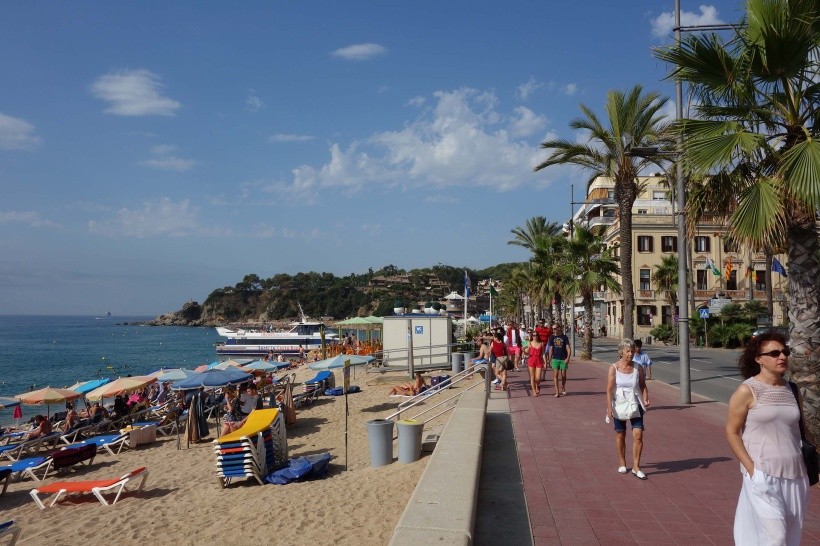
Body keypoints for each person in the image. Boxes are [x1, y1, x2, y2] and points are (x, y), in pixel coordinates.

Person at [727, 331, 811, 544]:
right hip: (763, 472)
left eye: (784, 352)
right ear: (758, 359)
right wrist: (751, 469)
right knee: (776, 536)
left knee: (790, 537)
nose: (782, 357)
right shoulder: (747, 390)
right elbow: (732, 432)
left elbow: (801, 430)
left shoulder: (792, 390)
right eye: (774, 353)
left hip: (796, 473)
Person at [605, 339, 650, 479]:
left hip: (635, 403)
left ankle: (636, 467)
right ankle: (622, 462)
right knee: (620, 434)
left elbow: (642, 384)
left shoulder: (638, 367)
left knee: (638, 434)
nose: (631, 354)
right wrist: (609, 408)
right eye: (628, 351)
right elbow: (609, 389)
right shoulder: (614, 368)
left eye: (632, 351)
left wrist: (646, 397)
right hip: (619, 404)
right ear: (621, 352)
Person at [547, 324, 572, 397]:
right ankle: (557, 391)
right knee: (555, 375)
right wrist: (549, 359)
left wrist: (568, 358)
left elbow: (568, 348)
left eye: (555, 328)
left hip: (563, 359)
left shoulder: (564, 337)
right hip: (555, 359)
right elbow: (551, 349)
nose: (554, 330)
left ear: (559, 328)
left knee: (563, 375)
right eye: (552, 329)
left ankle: (563, 387)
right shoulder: (552, 337)